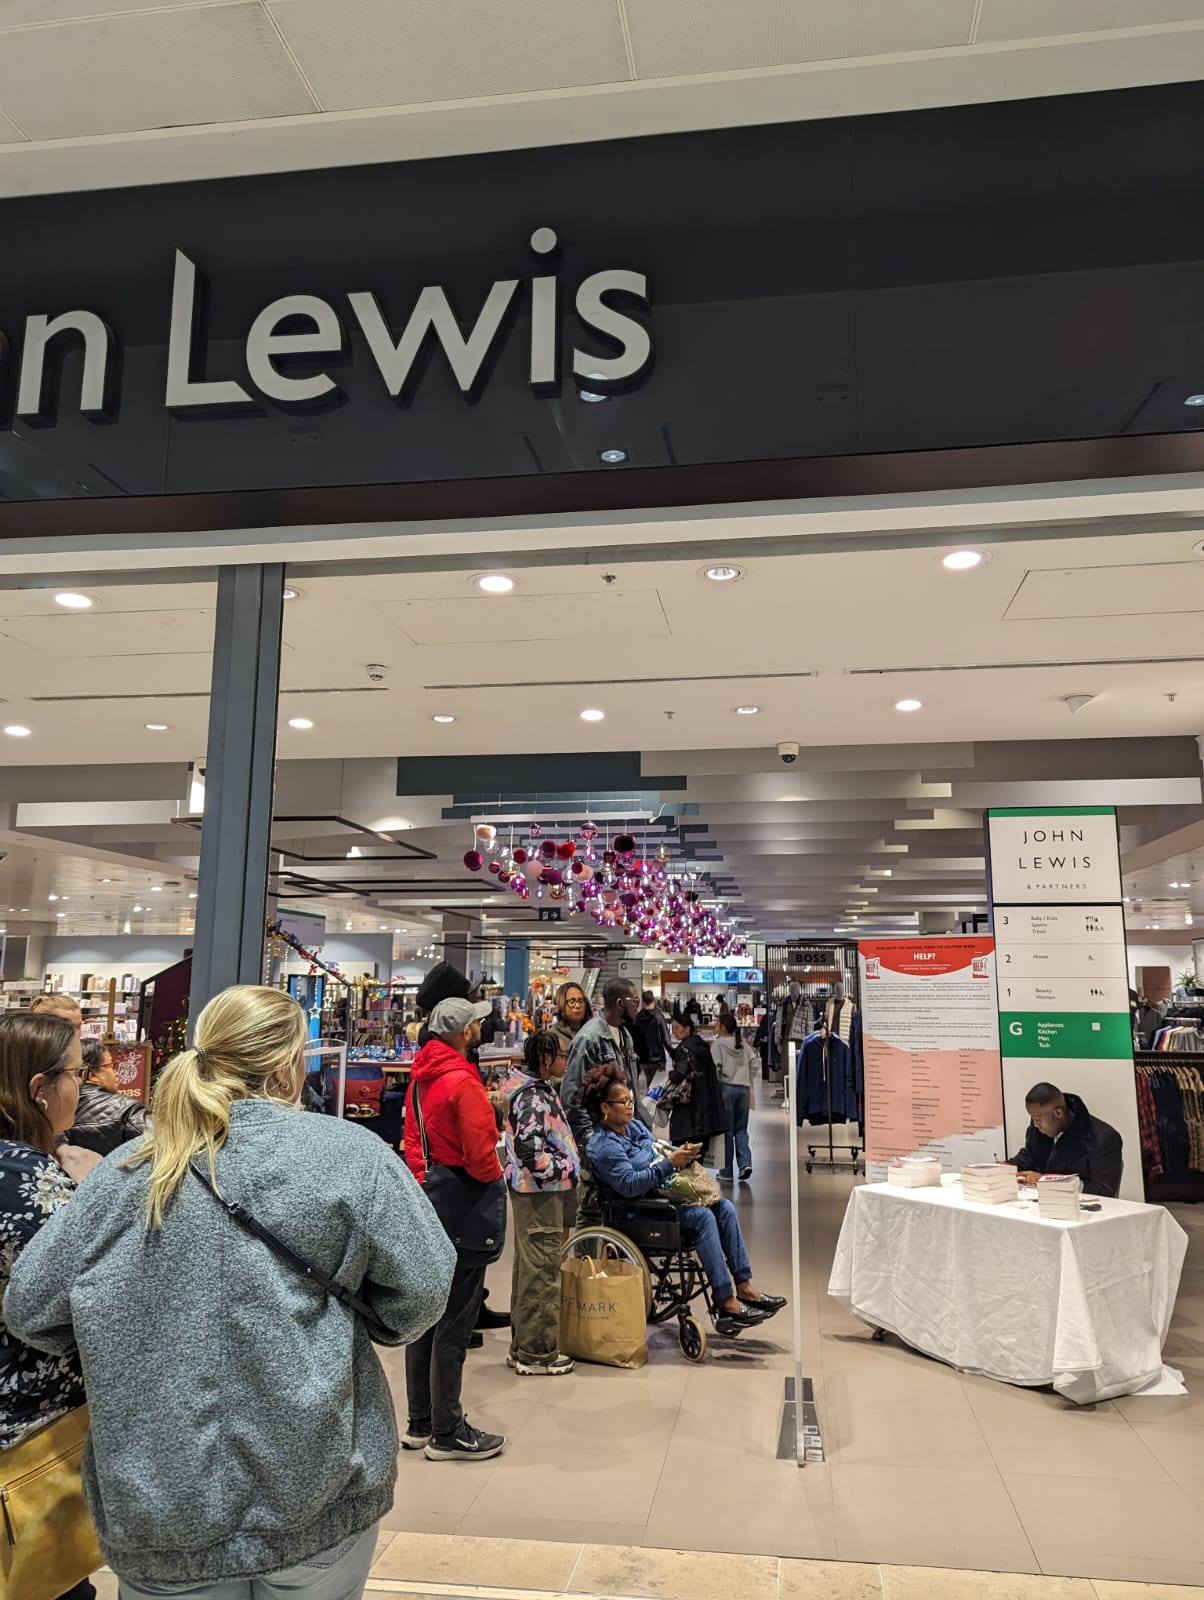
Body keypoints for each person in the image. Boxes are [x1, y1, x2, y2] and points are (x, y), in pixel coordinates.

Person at [6, 984, 455, 1600]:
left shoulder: (125, 1173)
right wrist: (374, 1323)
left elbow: (32, 1309)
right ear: (284, 1065)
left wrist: (126, 1323)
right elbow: (424, 1288)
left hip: (162, 1504)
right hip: (314, 1484)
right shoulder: (350, 1157)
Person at [0, 1012, 96, 1600]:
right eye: (77, 1073)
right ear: (40, 1089)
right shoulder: (31, 1177)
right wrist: (96, 1190)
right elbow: (73, 1294)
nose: (84, 1086)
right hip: (31, 1431)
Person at [581, 1062, 785, 1336]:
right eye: (623, 1102)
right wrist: (667, 1163)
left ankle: (744, 1285)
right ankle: (725, 1300)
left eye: (631, 1099)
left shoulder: (634, 1128)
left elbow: (654, 1152)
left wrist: (678, 1155)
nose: (630, 1105)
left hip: (661, 1199)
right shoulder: (604, 1146)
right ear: (605, 1108)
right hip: (635, 1213)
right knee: (702, 1218)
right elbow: (629, 1185)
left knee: (723, 1206)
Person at [403, 996, 507, 1462]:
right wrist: (495, 1174)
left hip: (429, 1202)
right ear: (464, 1032)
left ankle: (420, 1421)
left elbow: (413, 1145)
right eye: (476, 1024)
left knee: (425, 1316)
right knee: (455, 1321)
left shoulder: (420, 1080)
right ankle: (448, 1431)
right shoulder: (464, 1083)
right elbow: (482, 1158)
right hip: (463, 1209)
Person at [503, 1030, 580, 1376]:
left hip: (537, 1191)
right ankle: (537, 1354)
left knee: (530, 1267)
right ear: (547, 1059)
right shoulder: (533, 1098)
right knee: (542, 1271)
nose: (565, 1061)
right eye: (562, 1055)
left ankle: (523, 1347)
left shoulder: (536, 1092)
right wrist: (564, 1167)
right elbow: (530, 1151)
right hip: (541, 1193)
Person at [1008, 1082, 1124, 1197]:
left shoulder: (1104, 1138)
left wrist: (1048, 1181)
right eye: (1032, 1118)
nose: (1035, 1124)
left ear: (1058, 1113)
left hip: (1083, 1210)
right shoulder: (1039, 1131)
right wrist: (1002, 1168)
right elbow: (1028, 1158)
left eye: (1037, 1119)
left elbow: (1103, 1190)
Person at [60, 1040, 150, 1156]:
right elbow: (160, 1146)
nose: (116, 1073)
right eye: (111, 1066)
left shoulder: (55, 1108)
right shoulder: (127, 1109)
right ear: (92, 1074)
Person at [667, 1012, 728, 1153]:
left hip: (687, 1115)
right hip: (706, 1114)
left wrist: (670, 1074)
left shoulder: (683, 1050)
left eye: (677, 1028)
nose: (674, 1032)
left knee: (684, 1160)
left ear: (687, 1029)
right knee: (698, 1158)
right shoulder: (704, 1047)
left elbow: (678, 1075)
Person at [712, 1013, 754, 1181]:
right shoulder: (743, 1044)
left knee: (726, 1131)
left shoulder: (718, 1045)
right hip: (744, 1089)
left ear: (723, 1027)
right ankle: (745, 1164)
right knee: (741, 1129)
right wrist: (747, 1077)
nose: (715, 1025)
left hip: (726, 1089)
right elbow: (755, 1062)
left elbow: (716, 1068)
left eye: (717, 1023)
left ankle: (726, 1171)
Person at [630, 989, 671, 1085]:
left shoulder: (638, 1018)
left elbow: (633, 1038)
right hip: (657, 1059)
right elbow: (666, 1038)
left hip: (643, 1059)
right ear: (654, 1000)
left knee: (649, 1082)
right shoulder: (658, 1017)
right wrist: (674, 1055)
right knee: (657, 1087)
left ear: (643, 1002)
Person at [549, 981, 591, 1060]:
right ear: (561, 1004)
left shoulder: (593, 1032)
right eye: (572, 1002)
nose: (577, 1006)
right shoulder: (553, 1036)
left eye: (581, 1001)